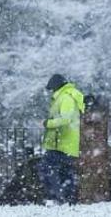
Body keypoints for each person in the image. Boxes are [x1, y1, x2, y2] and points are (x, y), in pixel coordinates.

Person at [38, 73, 85, 205]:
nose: (51, 92)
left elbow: (66, 119)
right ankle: (68, 200)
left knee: (47, 168)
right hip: (65, 143)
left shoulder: (66, 97)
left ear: (56, 86)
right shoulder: (66, 96)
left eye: (52, 89)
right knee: (65, 173)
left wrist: (47, 123)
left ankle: (55, 198)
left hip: (62, 142)